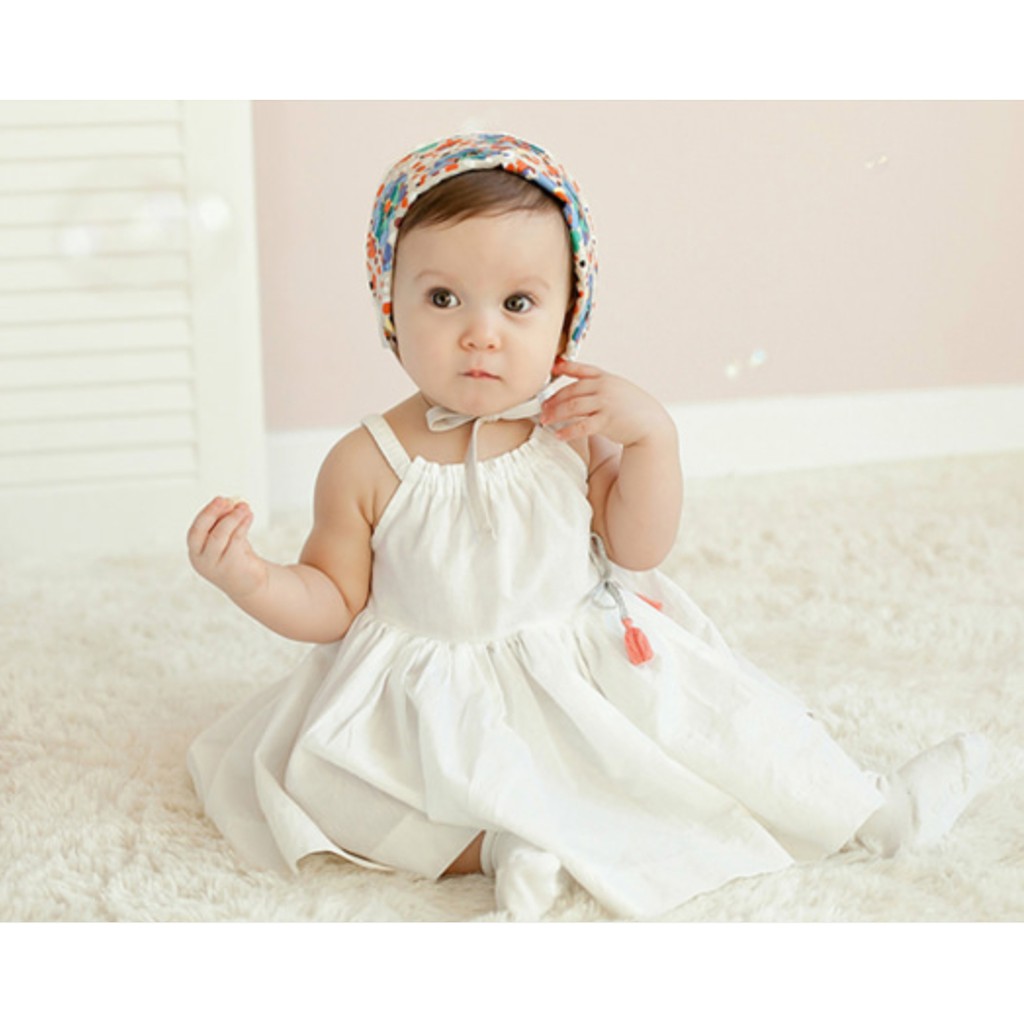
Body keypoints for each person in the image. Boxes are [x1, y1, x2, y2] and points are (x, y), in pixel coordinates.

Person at [186, 132, 989, 920]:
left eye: (518, 304)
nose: (481, 332)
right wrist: (251, 579)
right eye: (442, 298)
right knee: (338, 785)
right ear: (388, 303)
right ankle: (502, 847)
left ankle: (865, 808)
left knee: (719, 730)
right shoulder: (366, 460)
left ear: (568, 317)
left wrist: (651, 440)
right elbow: (333, 601)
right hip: (434, 695)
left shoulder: (570, 427)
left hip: (581, 665)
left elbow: (638, 545)